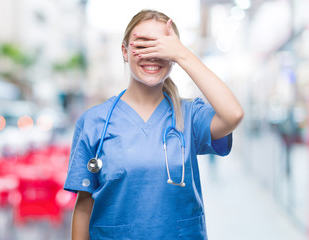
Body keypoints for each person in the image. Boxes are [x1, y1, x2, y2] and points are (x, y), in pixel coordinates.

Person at [64, 9, 244, 240]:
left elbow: (234, 114)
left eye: (162, 47)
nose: (152, 54)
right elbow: (83, 207)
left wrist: (183, 55)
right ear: (124, 51)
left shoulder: (190, 116)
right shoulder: (93, 122)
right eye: (142, 45)